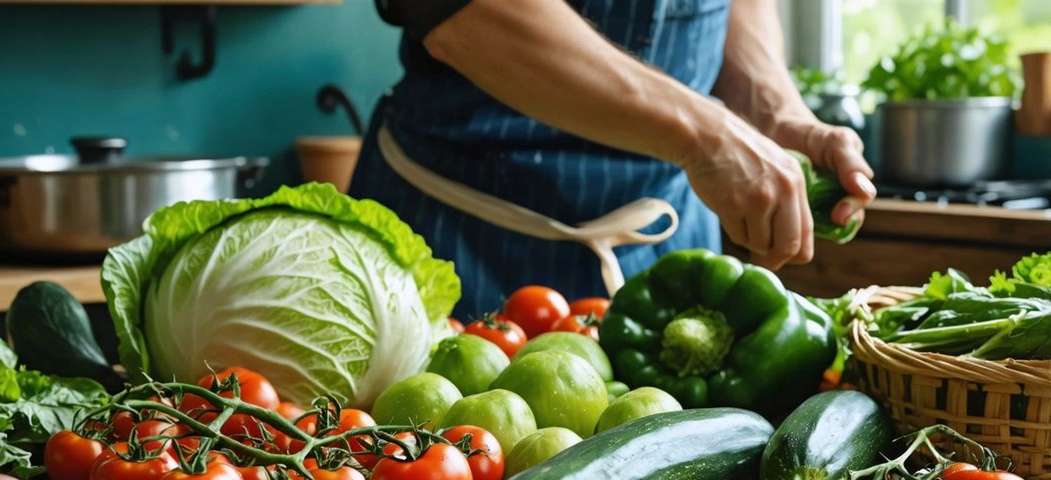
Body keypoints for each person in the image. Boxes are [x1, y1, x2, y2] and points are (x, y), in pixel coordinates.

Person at [349, 0, 877, 317]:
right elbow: (464, 14)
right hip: (459, 240)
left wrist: (772, 109)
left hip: (667, 246)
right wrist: (705, 134)